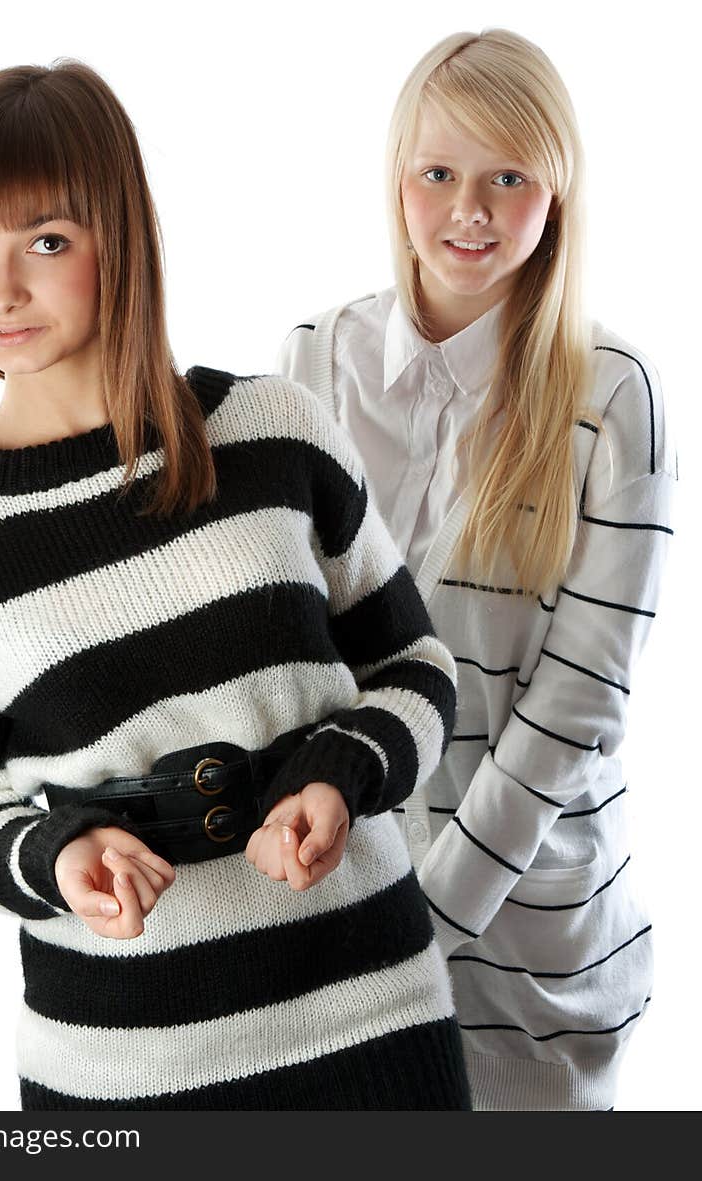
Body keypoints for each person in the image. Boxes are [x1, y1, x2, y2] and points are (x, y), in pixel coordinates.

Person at [0, 58, 470, 1111]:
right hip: (123, 1076)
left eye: (47, 241)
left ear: (122, 236)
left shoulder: (274, 431)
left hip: (376, 1020)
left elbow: (415, 666)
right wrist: (61, 854)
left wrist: (341, 772)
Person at [276, 28, 677, 1111]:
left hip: (533, 957)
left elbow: (579, 704)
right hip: (343, 915)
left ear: (556, 194)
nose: (470, 210)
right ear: (397, 180)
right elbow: (291, 645)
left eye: (509, 177)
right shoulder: (313, 359)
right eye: (439, 173)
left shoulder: (613, 396)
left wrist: (427, 919)